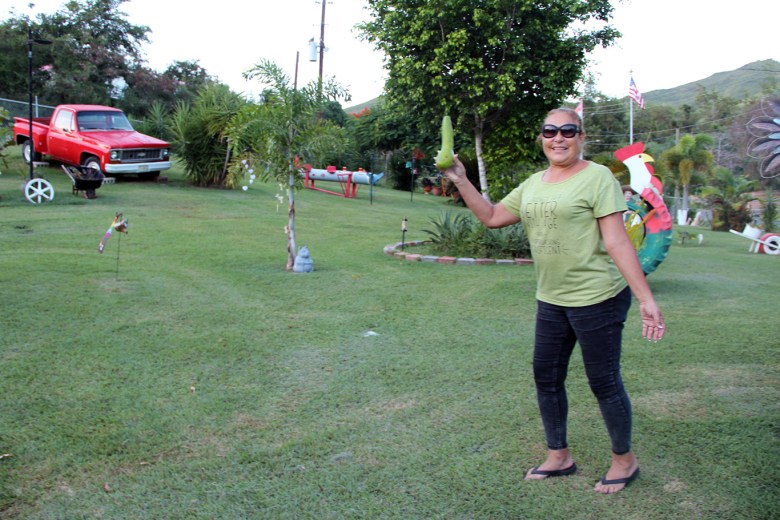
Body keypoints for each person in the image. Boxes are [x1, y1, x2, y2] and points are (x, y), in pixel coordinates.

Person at [438, 107, 666, 494]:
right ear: (541, 137)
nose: (557, 138)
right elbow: (492, 216)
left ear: (581, 137)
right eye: (550, 131)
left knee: (604, 381)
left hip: (598, 298)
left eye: (567, 131)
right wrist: (461, 180)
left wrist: (645, 298)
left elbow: (615, 241)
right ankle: (559, 455)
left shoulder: (598, 178)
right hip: (552, 299)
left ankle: (624, 462)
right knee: (546, 377)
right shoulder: (533, 184)